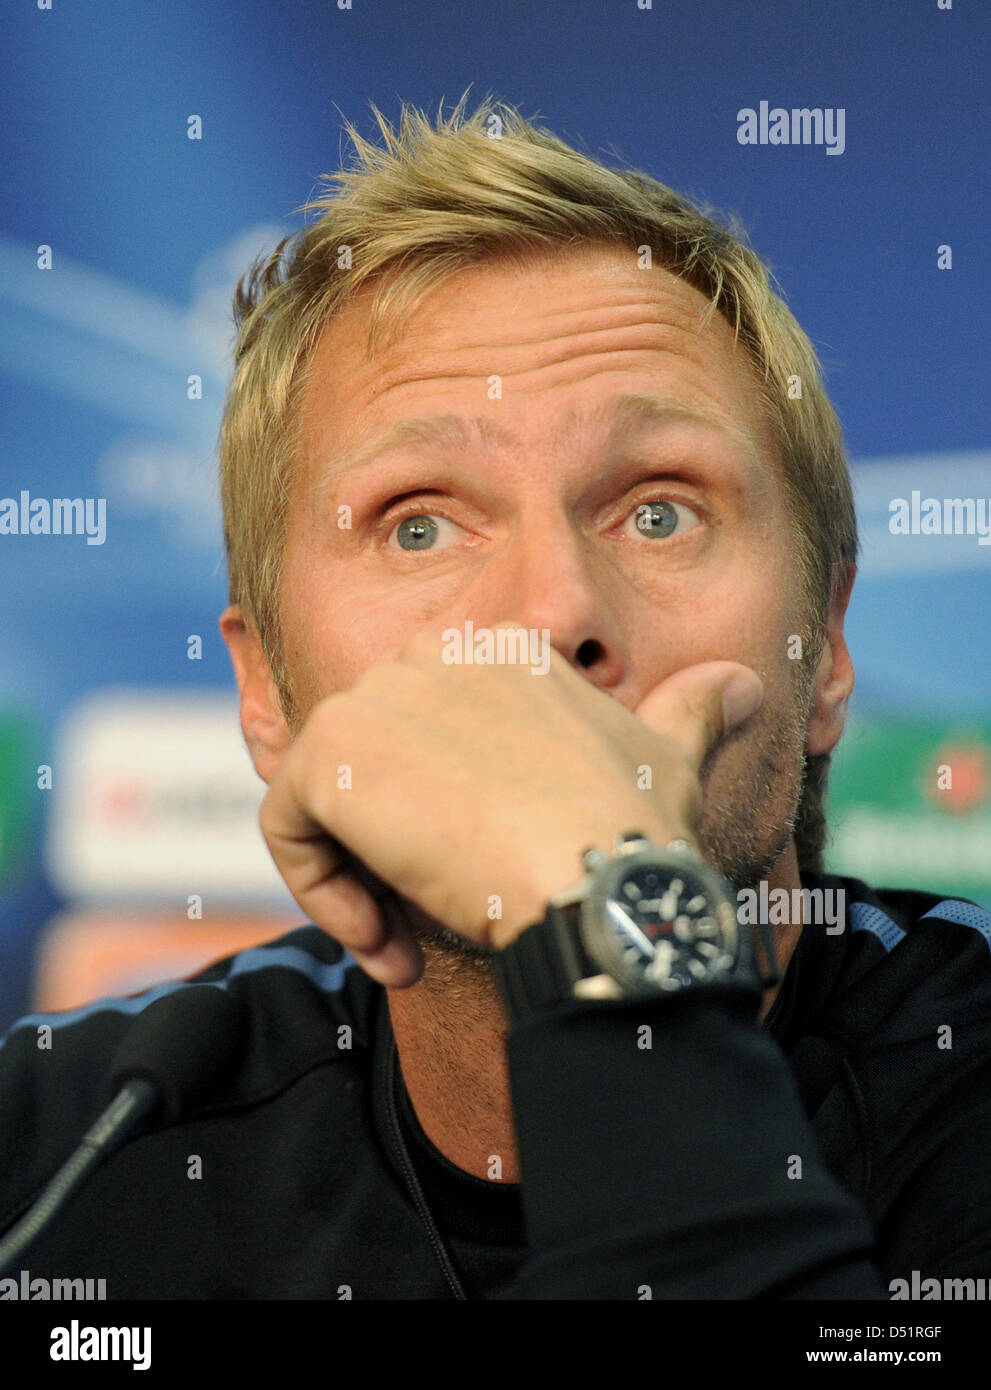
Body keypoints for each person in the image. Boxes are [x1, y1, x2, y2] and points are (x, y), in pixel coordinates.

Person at [2, 94, 990, 1302]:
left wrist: (596, 902)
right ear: (264, 691)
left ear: (825, 647)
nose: (547, 614)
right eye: (418, 524)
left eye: (660, 508)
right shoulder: (58, 1149)